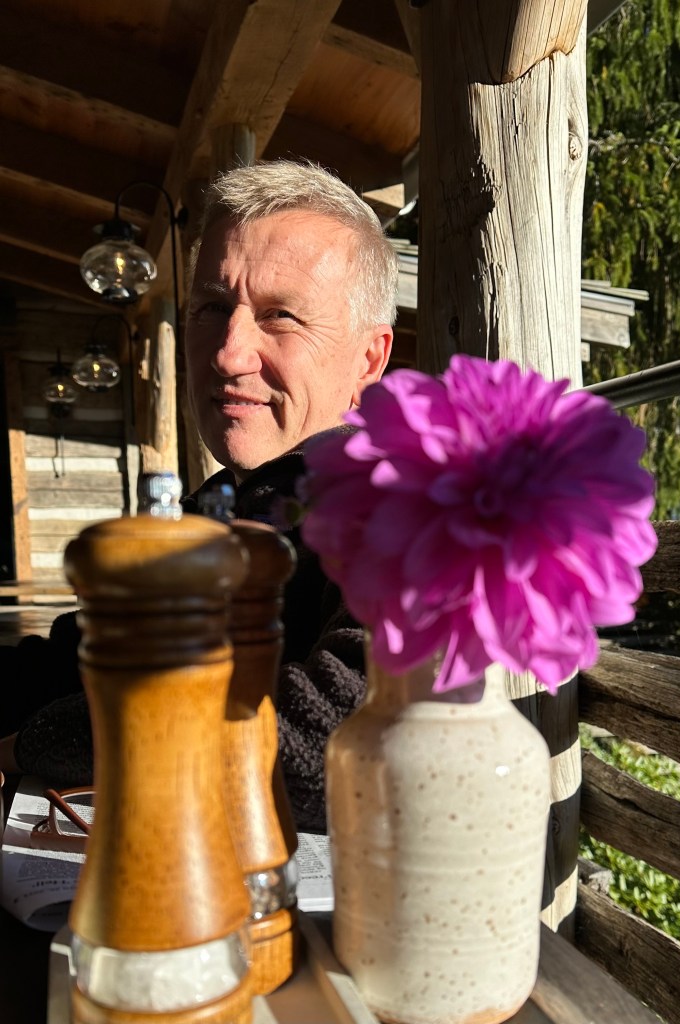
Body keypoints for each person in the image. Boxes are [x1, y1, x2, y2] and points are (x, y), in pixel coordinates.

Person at [0, 160, 398, 832]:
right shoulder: (216, 506)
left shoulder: (402, 511)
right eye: (213, 308)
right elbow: (83, 659)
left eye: (280, 316)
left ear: (369, 360)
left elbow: (336, 746)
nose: (228, 354)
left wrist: (33, 744)